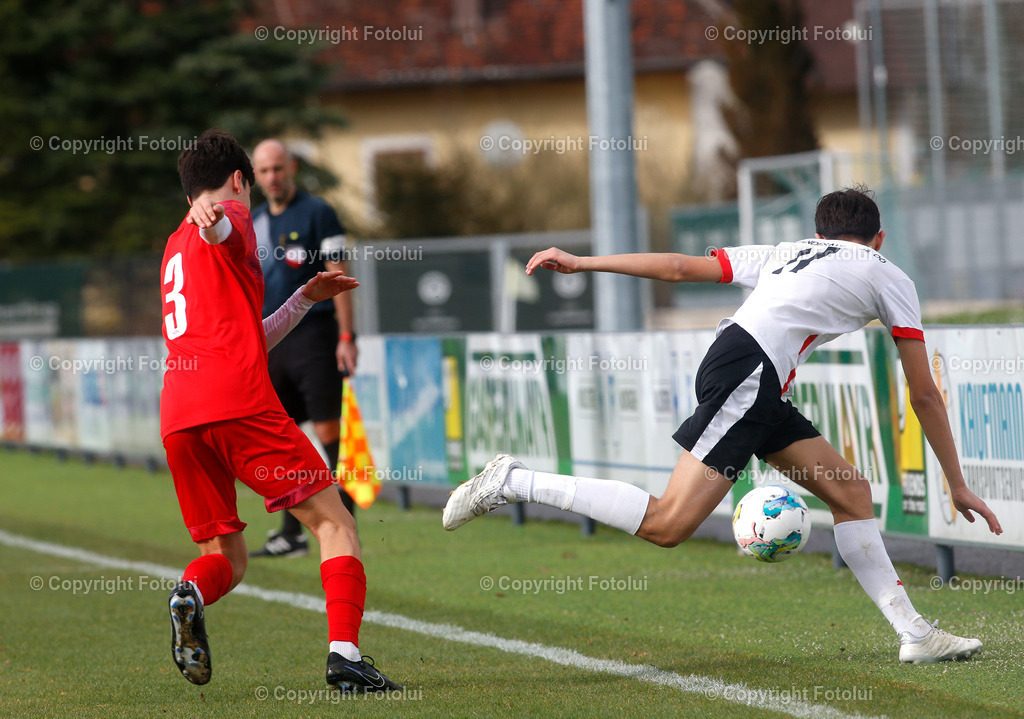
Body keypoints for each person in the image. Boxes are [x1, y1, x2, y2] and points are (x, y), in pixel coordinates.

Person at [443, 187, 1003, 664]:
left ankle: (915, 634)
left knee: (850, 492)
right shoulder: (889, 274)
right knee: (668, 524)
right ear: (879, 239)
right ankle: (514, 482)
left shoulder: (788, 252)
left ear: (820, 234)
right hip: (752, 374)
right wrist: (956, 482)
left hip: (742, 366)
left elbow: (680, 268)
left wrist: (584, 263)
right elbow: (923, 393)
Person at [161, 128, 399, 691]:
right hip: (236, 403)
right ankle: (345, 657)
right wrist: (216, 218)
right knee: (335, 522)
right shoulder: (232, 215)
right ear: (239, 179)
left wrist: (303, 299)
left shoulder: (173, 246)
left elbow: (246, 337)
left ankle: (189, 593)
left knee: (228, 558)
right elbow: (224, 231)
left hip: (179, 416)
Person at [248, 138, 358, 559]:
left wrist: (347, 337)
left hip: (315, 336)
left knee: (328, 431)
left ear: (292, 167)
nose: (272, 177)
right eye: (264, 171)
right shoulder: (253, 221)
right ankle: (291, 534)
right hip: (272, 340)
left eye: (278, 168)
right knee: (281, 435)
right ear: (255, 176)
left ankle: (345, 526)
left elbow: (339, 275)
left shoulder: (319, 212)